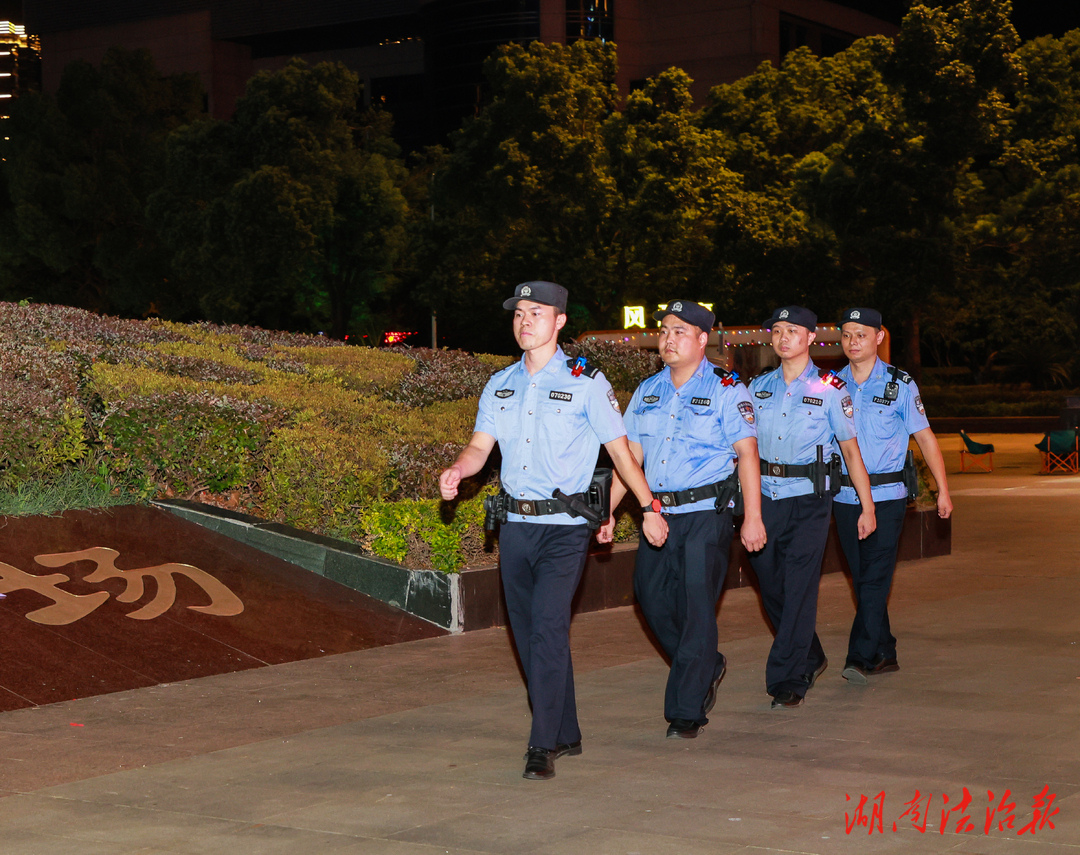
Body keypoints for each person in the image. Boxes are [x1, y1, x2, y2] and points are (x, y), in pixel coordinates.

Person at [438, 281, 667, 781]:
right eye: (519, 313)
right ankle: (565, 728)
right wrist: (459, 469)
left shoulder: (587, 382)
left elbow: (621, 453)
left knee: (546, 625)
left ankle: (542, 744)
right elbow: (481, 446)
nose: (525, 322)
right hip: (515, 526)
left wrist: (648, 506)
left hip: (565, 528)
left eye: (536, 313)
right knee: (527, 633)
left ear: (559, 320)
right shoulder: (500, 383)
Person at [598, 300, 766, 738]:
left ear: (701, 339)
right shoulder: (647, 390)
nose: (668, 339)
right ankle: (705, 662)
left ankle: (686, 709)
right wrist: (610, 512)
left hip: (706, 515)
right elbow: (630, 459)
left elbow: (747, 454)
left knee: (696, 608)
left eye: (679, 332)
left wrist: (752, 517)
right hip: (657, 513)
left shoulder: (729, 389)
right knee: (649, 598)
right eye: (665, 331)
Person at [748, 306, 876, 709]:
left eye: (792, 331)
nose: (783, 338)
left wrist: (866, 507)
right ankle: (810, 651)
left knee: (800, 584)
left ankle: (789, 676)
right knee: (768, 581)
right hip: (766, 496)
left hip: (810, 499)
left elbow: (851, 452)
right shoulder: (757, 388)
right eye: (777, 331)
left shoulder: (830, 388)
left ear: (809, 338)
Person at [835, 307, 953, 684]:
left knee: (875, 577)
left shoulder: (899, 385)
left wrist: (943, 490)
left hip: (887, 495)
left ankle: (859, 655)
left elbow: (925, 439)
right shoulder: (830, 385)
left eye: (862, 335)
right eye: (847, 335)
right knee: (862, 576)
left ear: (879, 338)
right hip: (844, 497)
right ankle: (885, 651)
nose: (853, 342)